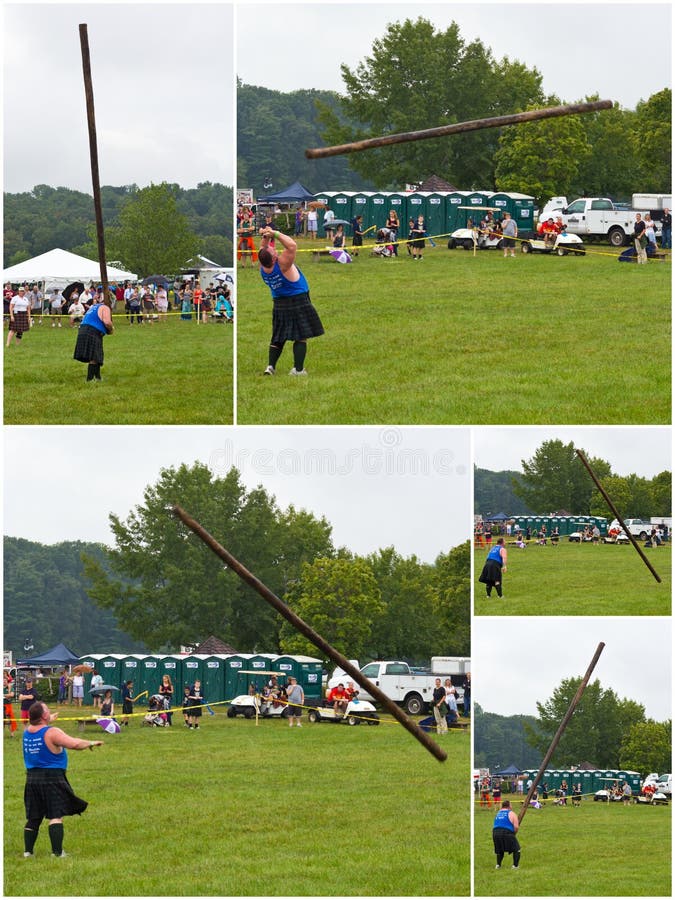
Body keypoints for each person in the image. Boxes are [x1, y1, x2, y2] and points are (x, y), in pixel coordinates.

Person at [22, 700, 103, 858]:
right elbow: (74, 744)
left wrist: (48, 720)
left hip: (32, 779)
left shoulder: (27, 732)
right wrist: (91, 742)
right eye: (47, 710)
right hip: (52, 777)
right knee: (55, 815)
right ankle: (57, 853)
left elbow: (40, 727)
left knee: (34, 817)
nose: (49, 712)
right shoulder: (52, 732)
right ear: (43, 716)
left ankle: (28, 852)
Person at [258, 226, 325, 376]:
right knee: (301, 335)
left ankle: (270, 367)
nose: (275, 250)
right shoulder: (282, 264)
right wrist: (275, 233)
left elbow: (263, 249)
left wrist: (266, 236)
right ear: (274, 259)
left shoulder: (263, 266)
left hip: (279, 302)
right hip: (297, 300)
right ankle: (298, 370)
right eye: (273, 252)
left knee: (278, 336)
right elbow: (292, 245)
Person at [73, 297, 114, 382]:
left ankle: (98, 377)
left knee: (97, 354)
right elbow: (107, 322)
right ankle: (90, 379)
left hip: (83, 329)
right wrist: (111, 329)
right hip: (92, 331)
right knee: (94, 355)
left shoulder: (94, 307)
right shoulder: (105, 307)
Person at [492, 799, 521, 870]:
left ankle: (498, 865)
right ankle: (515, 866)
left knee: (499, 850)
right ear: (509, 806)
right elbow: (516, 826)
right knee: (517, 849)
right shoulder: (512, 813)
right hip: (506, 832)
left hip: (495, 832)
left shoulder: (498, 813)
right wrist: (514, 833)